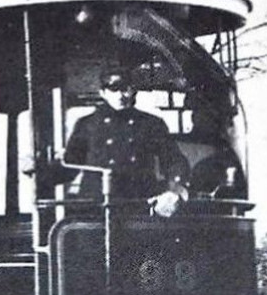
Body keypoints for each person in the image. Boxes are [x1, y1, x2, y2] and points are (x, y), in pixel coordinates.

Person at [60, 67, 190, 217]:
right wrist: (39, 169)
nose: (120, 95)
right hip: (96, 206)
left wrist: (174, 189)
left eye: (125, 89)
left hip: (138, 203)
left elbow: (173, 160)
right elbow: (69, 165)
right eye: (113, 90)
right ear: (103, 93)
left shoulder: (151, 124)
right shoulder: (87, 124)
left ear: (133, 91)